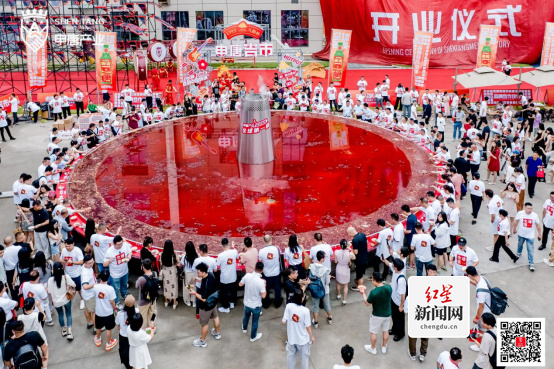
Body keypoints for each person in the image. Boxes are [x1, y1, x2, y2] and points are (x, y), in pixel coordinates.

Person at [190, 262, 221, 348]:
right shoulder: (210, 275)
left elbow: (203, 298)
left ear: (203, 272)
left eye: (199, 272)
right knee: (215, 317)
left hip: (206, 306)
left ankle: (202, 341)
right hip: (213, 302)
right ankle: (217, 333)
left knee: (204, 324)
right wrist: (199, 280)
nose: (198, 273)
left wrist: (194, 293)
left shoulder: (205, 285)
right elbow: (207, 282)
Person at [282, 288, 314, 369]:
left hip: (291, 339)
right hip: (303, 340)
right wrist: (311, 337)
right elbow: (308, 327)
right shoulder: (305, 311)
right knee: (304, 359)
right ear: (302, 299)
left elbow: (283, 321)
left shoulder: (288, 306)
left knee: (291, 358)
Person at [361, 272, 392, 355]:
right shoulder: (389, 287)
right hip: (387, 314)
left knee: (374, 332)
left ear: (374, 280)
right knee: (386, 330)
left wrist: (363, 293)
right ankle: (384, 346)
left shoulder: (374, 292)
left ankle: (373, 348)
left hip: (377, 315)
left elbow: (367, 303)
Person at [47, 262, 75, 340]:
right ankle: (69, 332)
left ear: (53, 270)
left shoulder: (50, 280)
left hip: (56, 302)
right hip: (66, 299)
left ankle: (63, 330)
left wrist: (52, 300)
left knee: (60, 314)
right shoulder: (66, 277)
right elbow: (74, 285)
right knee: (68, 314)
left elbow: (49, 292)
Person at [239, 261, 266, 342]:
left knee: (246, 316)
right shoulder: (261, 281)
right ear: (262, 270)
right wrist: (265, 285)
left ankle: (244, 328)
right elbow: (263, 296)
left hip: (246, 303)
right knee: (255, 321)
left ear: (255, 268)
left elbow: (240, 284)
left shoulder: (247, 276)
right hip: (256, 305)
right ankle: (253, 336)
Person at [466, 266, 491, 352]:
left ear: (470, 275)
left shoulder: (481, 291)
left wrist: (477, 318)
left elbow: (481, 306)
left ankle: (480, 346)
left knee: (482, 330)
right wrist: (468, 281)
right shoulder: (482, 279)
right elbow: (476, 283)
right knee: (483, 329)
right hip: (487, 310)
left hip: (483, 313)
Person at [93, 269, 118, 351]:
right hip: (108, 312)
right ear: (108, 278)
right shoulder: (110, 289)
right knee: (108, 329)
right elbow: (112, 301)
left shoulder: (96, 286)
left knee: (98, 327)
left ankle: (98, 340)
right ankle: (108, 344)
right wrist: (115, 308)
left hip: (99, 311)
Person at [103, 235, 131, 306]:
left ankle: (123, 294)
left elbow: (129, 252)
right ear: (114, 243)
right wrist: (109, 261)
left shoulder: (125, 245)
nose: (120, 245)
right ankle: (117, 301)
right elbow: (104, 264)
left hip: (125, 271)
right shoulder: (109, 251)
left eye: (121, 243)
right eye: (118, 244)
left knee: (124, 285)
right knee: (115, 289)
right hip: (115, 274)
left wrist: (129, 257)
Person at [513, 202, 542, 272]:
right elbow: (516, 221)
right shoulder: (520, 213)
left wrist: (539, 234)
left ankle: (531, 264)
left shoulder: (534, 215)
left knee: (530, 250)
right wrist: (514, 228)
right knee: (520, 245)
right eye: (528, 208)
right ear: (525, 208)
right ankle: (518, 253)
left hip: (530, 236)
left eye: (531, 208)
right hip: (521, 234)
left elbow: (538, 225)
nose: (530, 210)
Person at [308, 250, 332, 328]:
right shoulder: (325, 269)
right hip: (324, 290)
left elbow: (310, 278)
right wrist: (329, 277)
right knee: (327, 305)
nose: (325, 258)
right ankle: (329, 318)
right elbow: (327, 282)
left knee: (315, 306)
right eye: (324, 257)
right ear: (321, 259)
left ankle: (316, 322)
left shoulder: (311, 267)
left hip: (315, 289)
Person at [259, 235, 282, 309]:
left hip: (266, 273)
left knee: (266, 289)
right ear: (271, 240)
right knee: (277, 288)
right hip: (276, 273)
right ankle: (277, 303)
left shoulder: (261, 251)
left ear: (264, 241)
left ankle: (266, 304)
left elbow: (260, 261)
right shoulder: (277, 249)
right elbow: (280, 257)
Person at [60, 237, 85, 309]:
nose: (67, 248)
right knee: (68, 288)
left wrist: (72, 262)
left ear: (73, 244)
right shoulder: (64, 250)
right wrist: (63, 261)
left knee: (79, 288)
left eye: (69, 246)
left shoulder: (77, 251)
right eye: (66, 246)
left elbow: (81, 261)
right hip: (67, 273)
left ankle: (82, 300)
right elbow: (61, 259)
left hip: (76, 273)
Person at [116, 295, 139, 369]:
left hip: (123, 337)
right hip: (134, 336)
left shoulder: (120, 314)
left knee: (125, 352)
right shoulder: (137, 311)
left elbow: (118, 326)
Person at [216, 238, 238, 313]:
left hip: (224, 278)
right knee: (233, 291)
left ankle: (226, 307)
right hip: (233, 276)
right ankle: (232, 303)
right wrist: (233, 247)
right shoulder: (234, 252)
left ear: (222, 245)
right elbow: (237, 257)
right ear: (228, 244)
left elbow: (217, 265)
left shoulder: (220, 255)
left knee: (224, 293)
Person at [136, 259, 157, 330]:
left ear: (143, 267)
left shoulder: (141, 279)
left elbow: (137, 286)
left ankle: (142, 331)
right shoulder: (155, 274)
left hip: (143, 301)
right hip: (153, 299)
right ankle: (152, 329)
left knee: (142, 317)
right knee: (152, 314)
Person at [389, 258, 406, 342]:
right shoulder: (395, 271)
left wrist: (401, 305)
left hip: (398, 302)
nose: (392, 264)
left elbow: (403, 294)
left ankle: (400, 334)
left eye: (393, 264)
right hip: (393, 299)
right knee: (394, 316)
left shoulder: (401, 280)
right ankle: (394, 329)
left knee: (399, 319)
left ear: (395, 267)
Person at [159, 240, 179, 309]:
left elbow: (161, 263)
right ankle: (174, 303)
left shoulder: (162, 254)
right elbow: (178, 263)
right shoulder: (174, 254)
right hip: (172, 271)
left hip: (165, 271)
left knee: (166, 286)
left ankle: (166, 301)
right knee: (174, 286)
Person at [334, 239, 355, 305]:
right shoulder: (349, 253)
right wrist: (350, 249)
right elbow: (354, 258)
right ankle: (344, 300)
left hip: (339, 268)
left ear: (340, 245)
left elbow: (335, 261)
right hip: (345, 269)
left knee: (338, 283)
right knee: (345, 285)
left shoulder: (336, 252)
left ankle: (338, 295)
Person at [348, 226, 369, 291]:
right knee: (361, 273)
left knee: (359, 275)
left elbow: (356, 252)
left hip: (360, 260)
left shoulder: (355, 240)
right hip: (365, 256)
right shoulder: (362, 234)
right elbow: (367, 242)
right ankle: (359, 282)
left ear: (350, 233)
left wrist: (350, 249)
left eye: (348, 233)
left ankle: (359, 287)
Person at [80, 254, 96, 330]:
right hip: (90, 295)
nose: (92, 264)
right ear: (85, 263)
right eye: (89, 263)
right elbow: (85, 286)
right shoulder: (85, 273)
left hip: (86, 295)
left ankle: (89, 322)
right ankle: (96, 328)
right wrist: (95, 285)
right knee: (94, 311)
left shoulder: (85, 267)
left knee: (87, 309)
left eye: (92, 262)